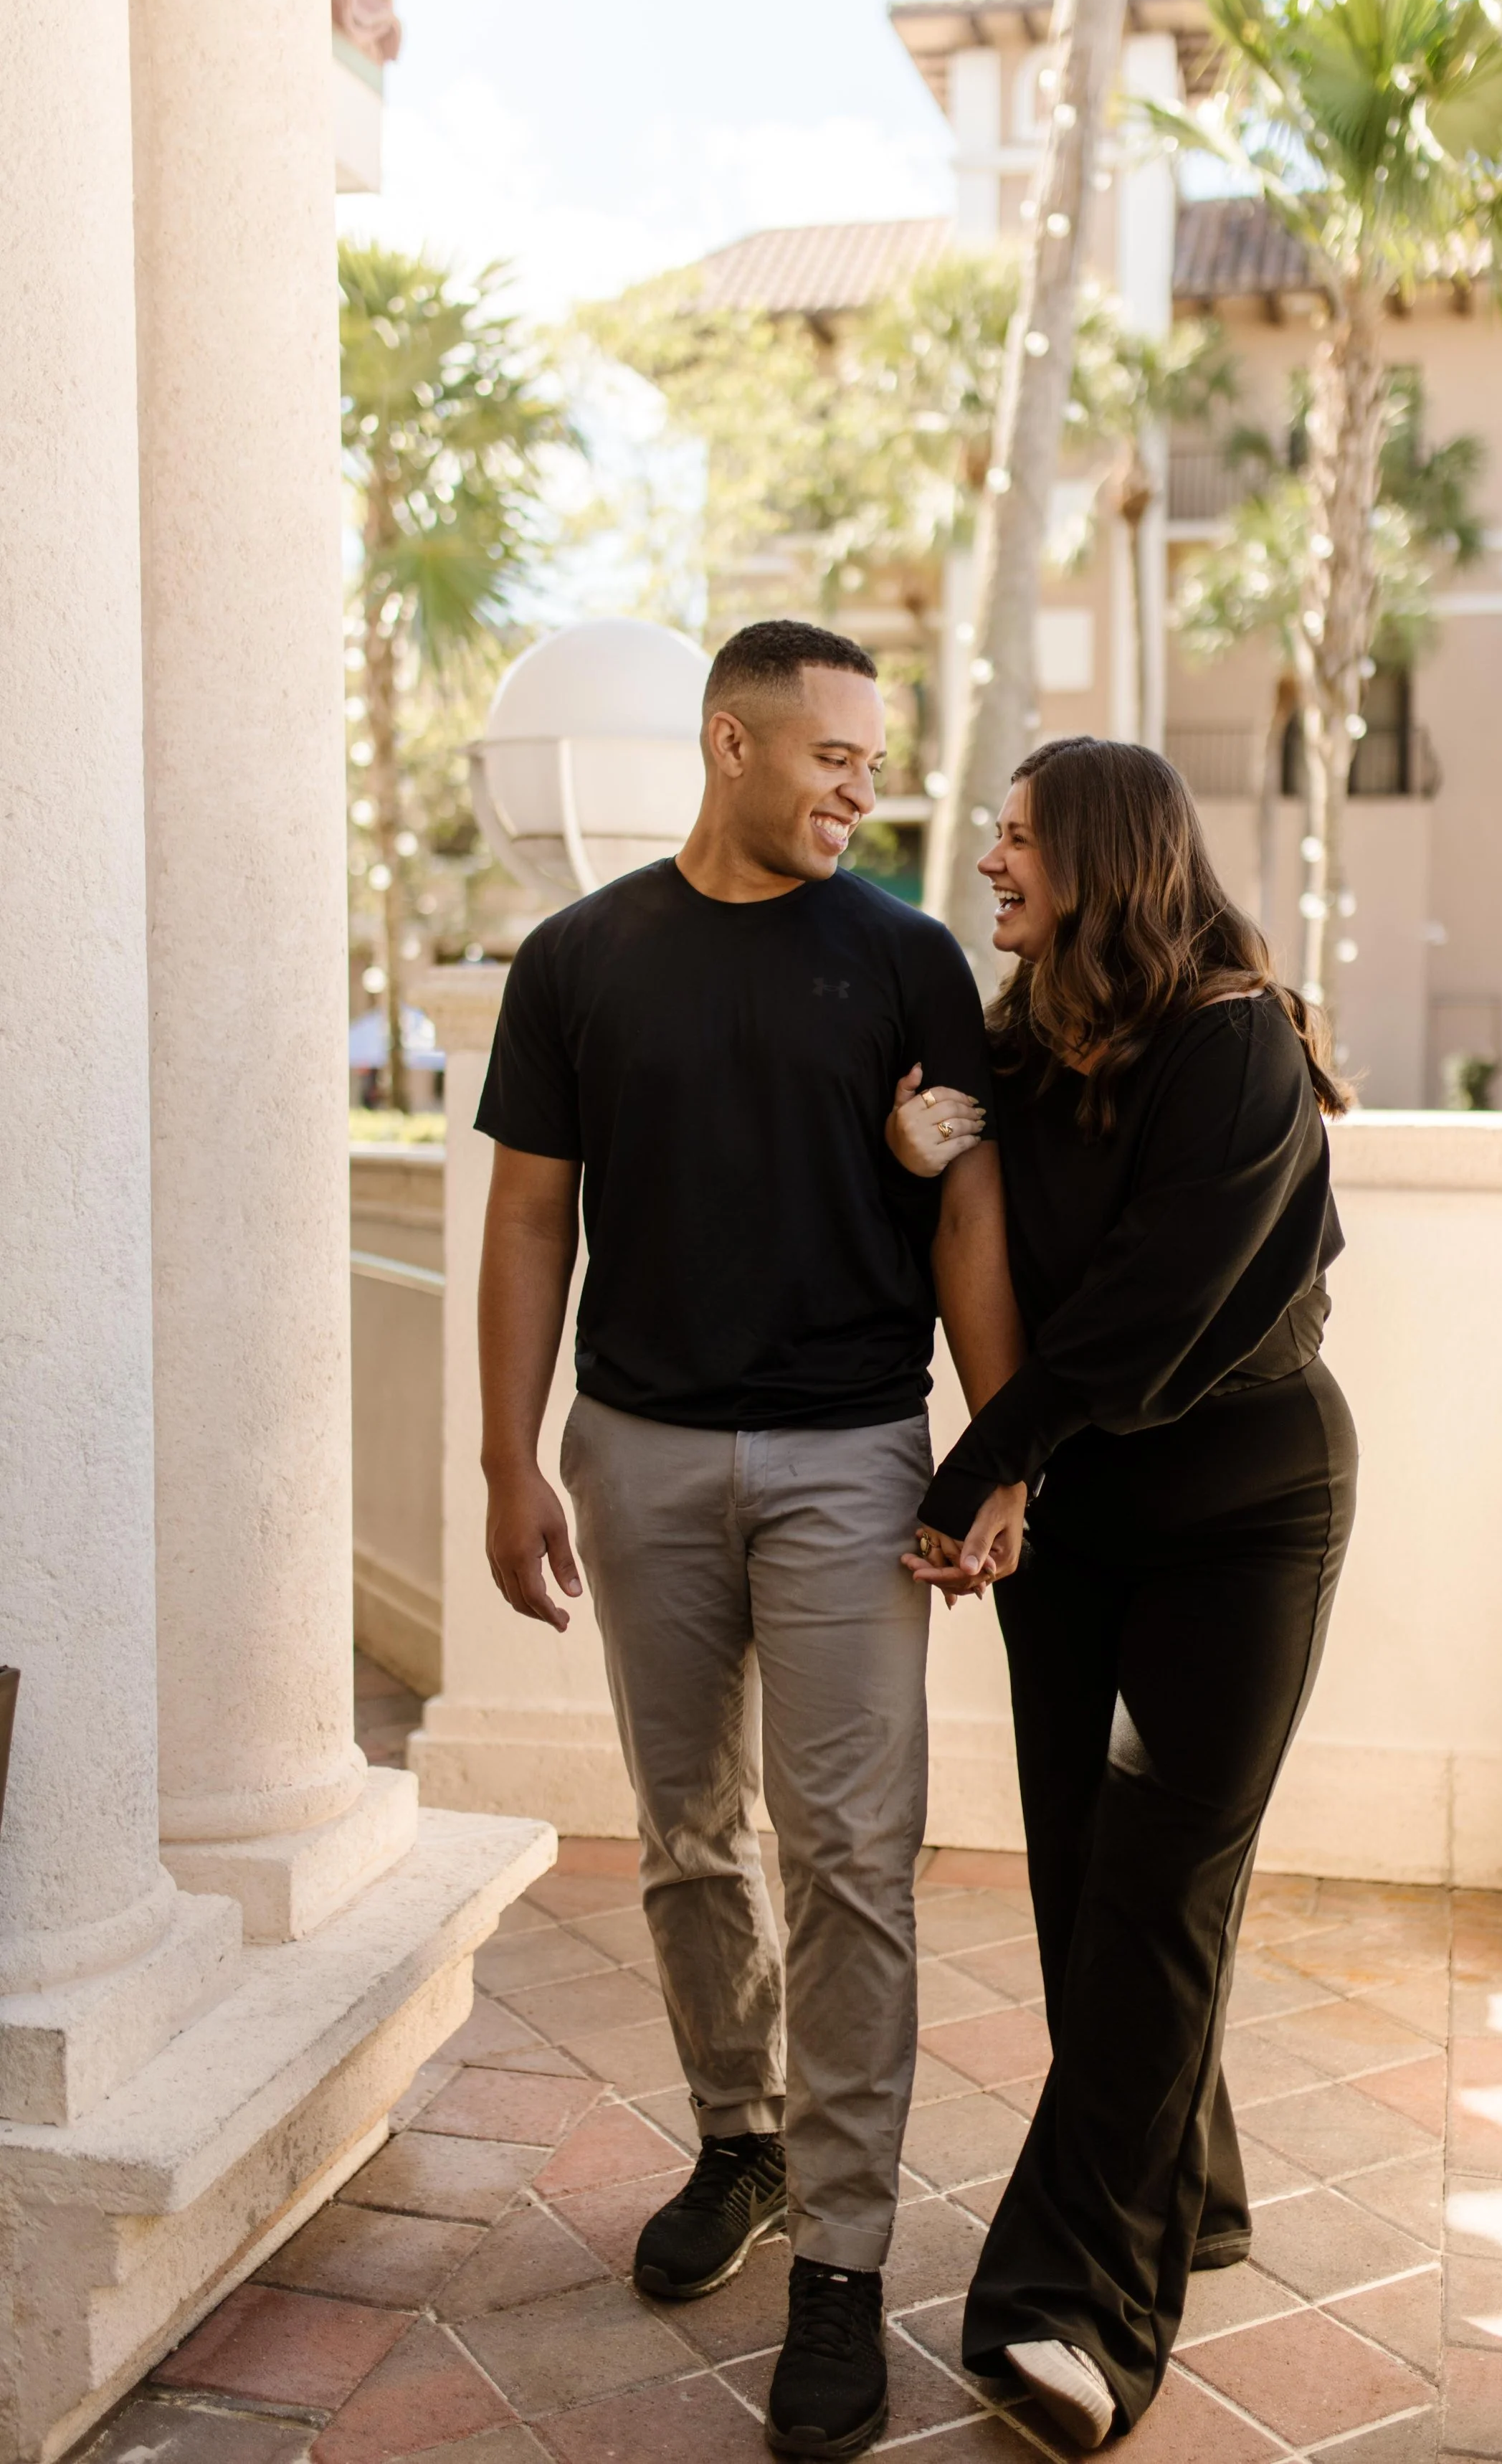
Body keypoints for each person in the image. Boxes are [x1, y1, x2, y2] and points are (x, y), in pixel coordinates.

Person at [475, 619, 1026, 2462]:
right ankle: (740, 2142)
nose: (864, 788)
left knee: (853, 1858)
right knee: (686, 1831)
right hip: (634, 1457)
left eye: (875, 760)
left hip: (853, 1463)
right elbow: (530, 1221)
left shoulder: (906, 958)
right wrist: (506, 1459)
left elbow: (967, 1224)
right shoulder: (577, 962)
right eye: (837, 757)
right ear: (733, 745)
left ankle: (848, 2264)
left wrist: (990, 1454)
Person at [889, 736, 1356, 2451]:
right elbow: (984, 1229)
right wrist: (918, 1140)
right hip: (1079, 1512)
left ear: (1097, 854)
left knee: (1158, 1884)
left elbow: (1149, 1312)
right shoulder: (1024, 1043)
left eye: (1016, 841)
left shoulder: (1235, 1038)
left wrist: (977, 1466)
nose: (992, 865)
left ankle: (1072, 2308)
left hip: (1243, 1509)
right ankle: (1191, 2188)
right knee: (1091, 1882)